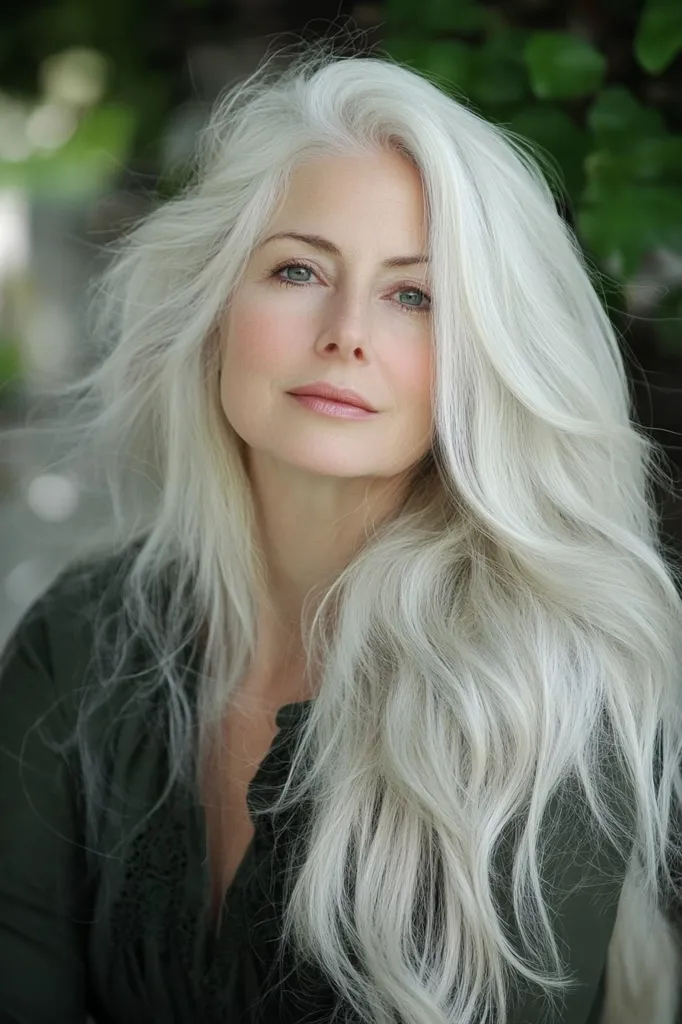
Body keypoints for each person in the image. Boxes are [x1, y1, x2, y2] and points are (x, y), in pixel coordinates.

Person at [1, 36, 681, 1024]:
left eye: (414, 295)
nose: (347, 331)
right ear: (214, 307)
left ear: (482, 358)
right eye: (296, 270)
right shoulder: (81, 634)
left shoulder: (546, 686)